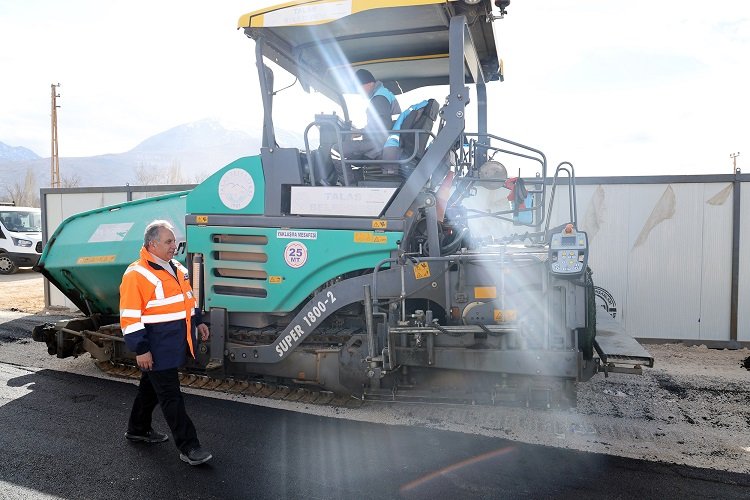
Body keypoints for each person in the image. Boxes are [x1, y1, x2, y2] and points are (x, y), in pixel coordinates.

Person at [120, 219, 213, 466]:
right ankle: (189, 446)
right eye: (169, 241)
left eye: (175, 240)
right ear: (153, 244)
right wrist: (141, 349)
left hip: (172, 345)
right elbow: (129, 316)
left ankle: (137, 429)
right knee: (171, 397)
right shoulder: (136, 274)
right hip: (156, 348)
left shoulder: (178, 269)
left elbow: (189, 300)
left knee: (150, 389)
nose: (175, 245)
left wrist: (198, 322)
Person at [342, 68, 402, 161]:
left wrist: (360, 132)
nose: (358, 91)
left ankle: (346, 176)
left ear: (370, 84)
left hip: (380, 143)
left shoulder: (379, 98)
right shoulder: (383, 94)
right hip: (386, 140)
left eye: (359, 87)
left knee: (338, 149)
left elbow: (382, 127)